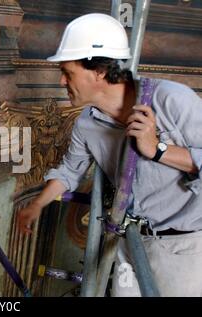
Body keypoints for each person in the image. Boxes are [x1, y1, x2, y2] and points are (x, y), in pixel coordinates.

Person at [17, 13, 202, 296]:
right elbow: (69, 170)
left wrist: (157, 149)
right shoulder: (87, 123)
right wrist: (37, 205)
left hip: (185, 249)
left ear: (99, 71)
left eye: (68, 73)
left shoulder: (171, 100)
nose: (62, 82)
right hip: (130, 242)